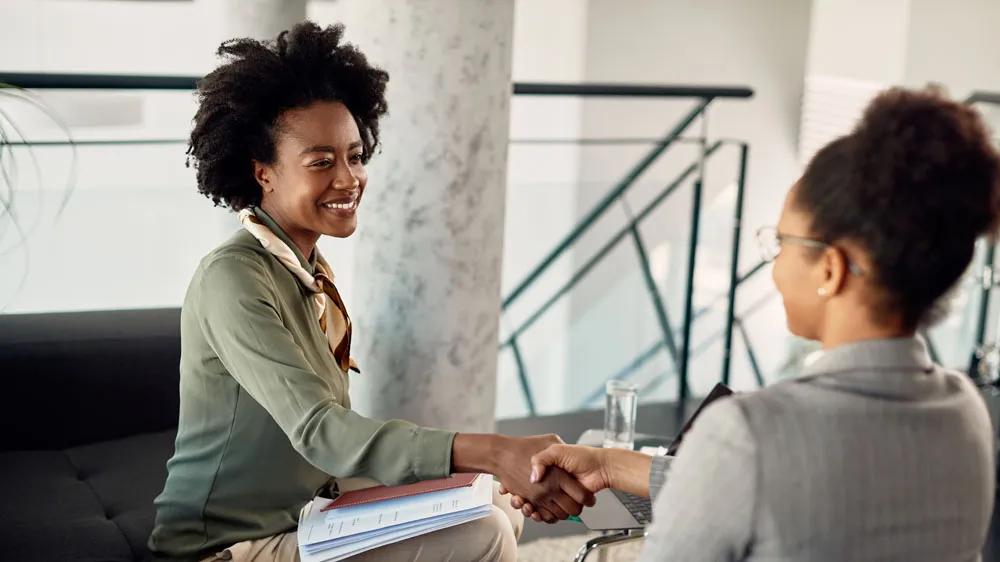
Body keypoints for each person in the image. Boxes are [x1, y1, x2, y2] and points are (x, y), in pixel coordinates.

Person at [148, 22, 592, 562]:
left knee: (493, 501)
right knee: (486, 533)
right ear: (263, 173)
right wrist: (495, 450)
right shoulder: (234, 278)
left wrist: (495, 467)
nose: (348, 178)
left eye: (355, 156)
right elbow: (322, 432)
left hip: (304, 510)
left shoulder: (307, 269)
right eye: (321, 162)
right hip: (224, 546)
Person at [508, 87, 1000, 561]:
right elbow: (774, 485)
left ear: (829, 270)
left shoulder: (748, 432)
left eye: (783, 243)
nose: (775, 263)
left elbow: (755, 469)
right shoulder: (964, 413)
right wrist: (610, 464)